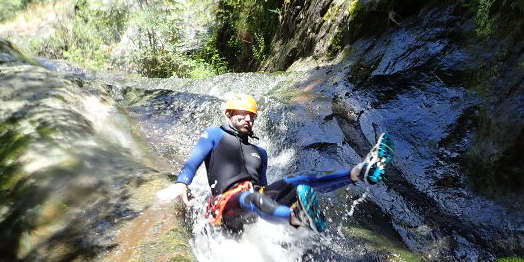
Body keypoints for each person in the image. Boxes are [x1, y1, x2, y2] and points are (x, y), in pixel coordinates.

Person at [160, 93, 394, 232]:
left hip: (254, 200)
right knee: (251, 197)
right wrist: (182, 183)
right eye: (239, 113)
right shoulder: (213, 134)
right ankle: (295, 218)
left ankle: (358, 172)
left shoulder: (259, 152)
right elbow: (193, 161)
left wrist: (283, 196)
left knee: (297, 180)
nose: (245, 118)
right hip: (228, 204)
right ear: (229, 115)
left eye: (250, 115)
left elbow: (265, 187)